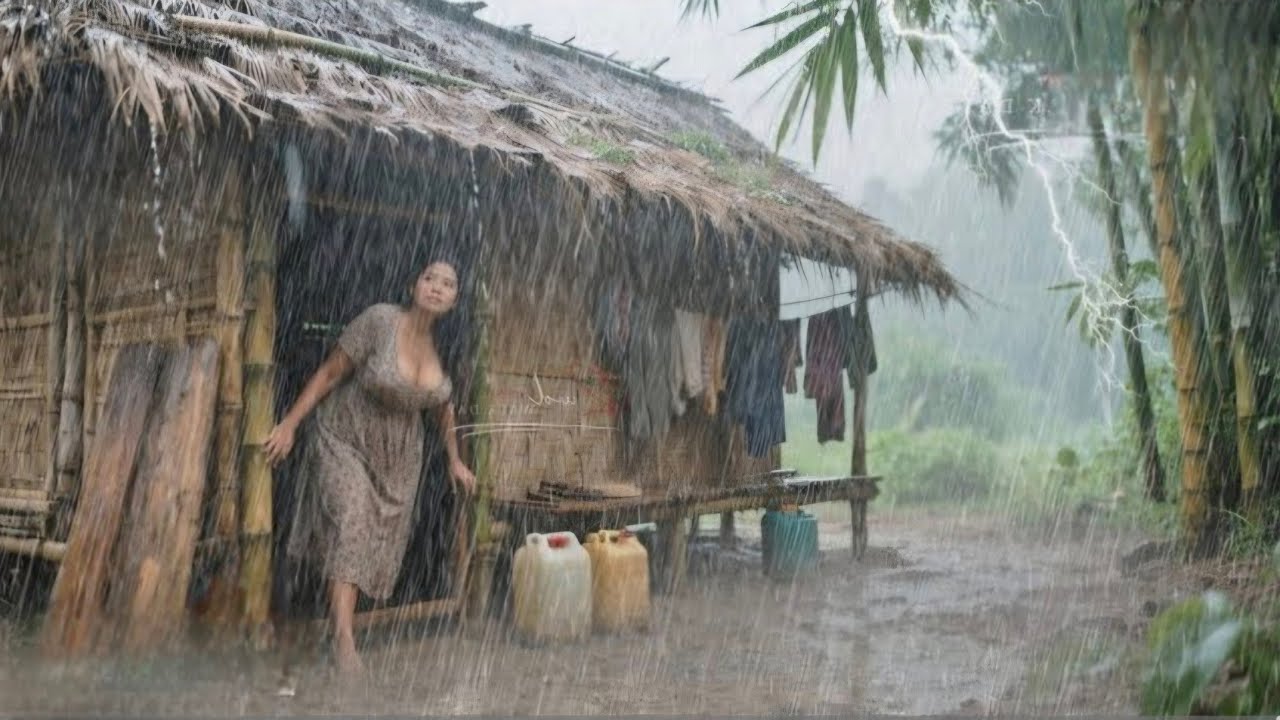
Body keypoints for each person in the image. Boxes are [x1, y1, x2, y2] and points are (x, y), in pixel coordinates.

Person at [263, 256, 476, 674]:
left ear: (455, 300)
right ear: (413, 285)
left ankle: (314, 612)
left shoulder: (447, 348)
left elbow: (444, 409)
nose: (436, 286)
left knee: (365, 540)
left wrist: (455, 460)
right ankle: (345, 642)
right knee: (352, 519)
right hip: (345, 436)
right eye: (429, 278)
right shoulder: (380, 321)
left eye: (447, 283)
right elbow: (329, 373)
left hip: (397, 460)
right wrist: (289, 423)